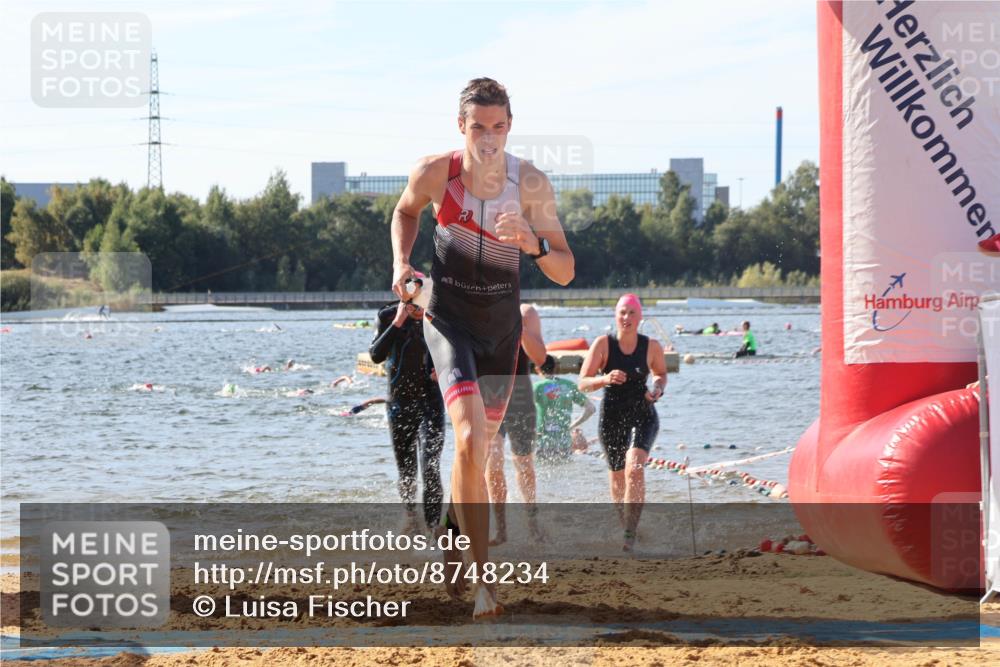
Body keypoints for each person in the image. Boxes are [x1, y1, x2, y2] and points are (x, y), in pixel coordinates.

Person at [390, 77, 574, 617]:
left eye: (498, 127)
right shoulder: (434, 172)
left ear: (510, 127)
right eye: (478, 128)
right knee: (469, 436)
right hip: (448, 322)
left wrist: (533, 246)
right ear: (461, 128)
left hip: (501, 336)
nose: (489, 139)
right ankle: (482, 584)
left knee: (476, 449)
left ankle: (451, 520)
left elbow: (565, 270)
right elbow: (405, 212)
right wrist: (402, 264)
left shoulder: (531, 185)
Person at [579, 294, 666, 552]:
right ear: (615, 315)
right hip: (613, 416)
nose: (626, 318)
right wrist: (604, 379)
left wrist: (658, 388)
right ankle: (626, 526)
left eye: (632, 313)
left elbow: (660, 374)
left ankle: (629, 534)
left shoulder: (651, 346)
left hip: (643, 412)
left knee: (634, 468)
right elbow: (582, 383)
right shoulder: (603, 345)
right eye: (622, 313)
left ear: (640, 318)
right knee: (618, 477)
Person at [369, 296, 445, 536]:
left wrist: (444, 369)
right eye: (412, 303)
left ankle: (433, 529)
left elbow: (461, 349)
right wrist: (399, 321)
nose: (417, 308)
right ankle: (411, 516)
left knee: (431, 465)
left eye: (422, 303)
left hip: (431, 402)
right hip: (399, 403)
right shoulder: (388, 316)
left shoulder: (439, 315)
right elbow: (376, 355)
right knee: (407, 470)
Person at [485, 303, 548, 546]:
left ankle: (533, 524)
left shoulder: (527, 313)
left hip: (520, 396)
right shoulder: (480, 307)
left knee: (523, 464)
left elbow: (540, 357)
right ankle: (501, 530)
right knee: (494, 458)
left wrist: (517, 326)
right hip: (489, 391)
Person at [534, 354, 596, 459]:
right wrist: (572, 426)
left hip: (543, 442)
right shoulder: (569, 385)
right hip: (564, 443)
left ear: (537, 369)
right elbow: (591, 409)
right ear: (556, 367)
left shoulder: (537, 387)